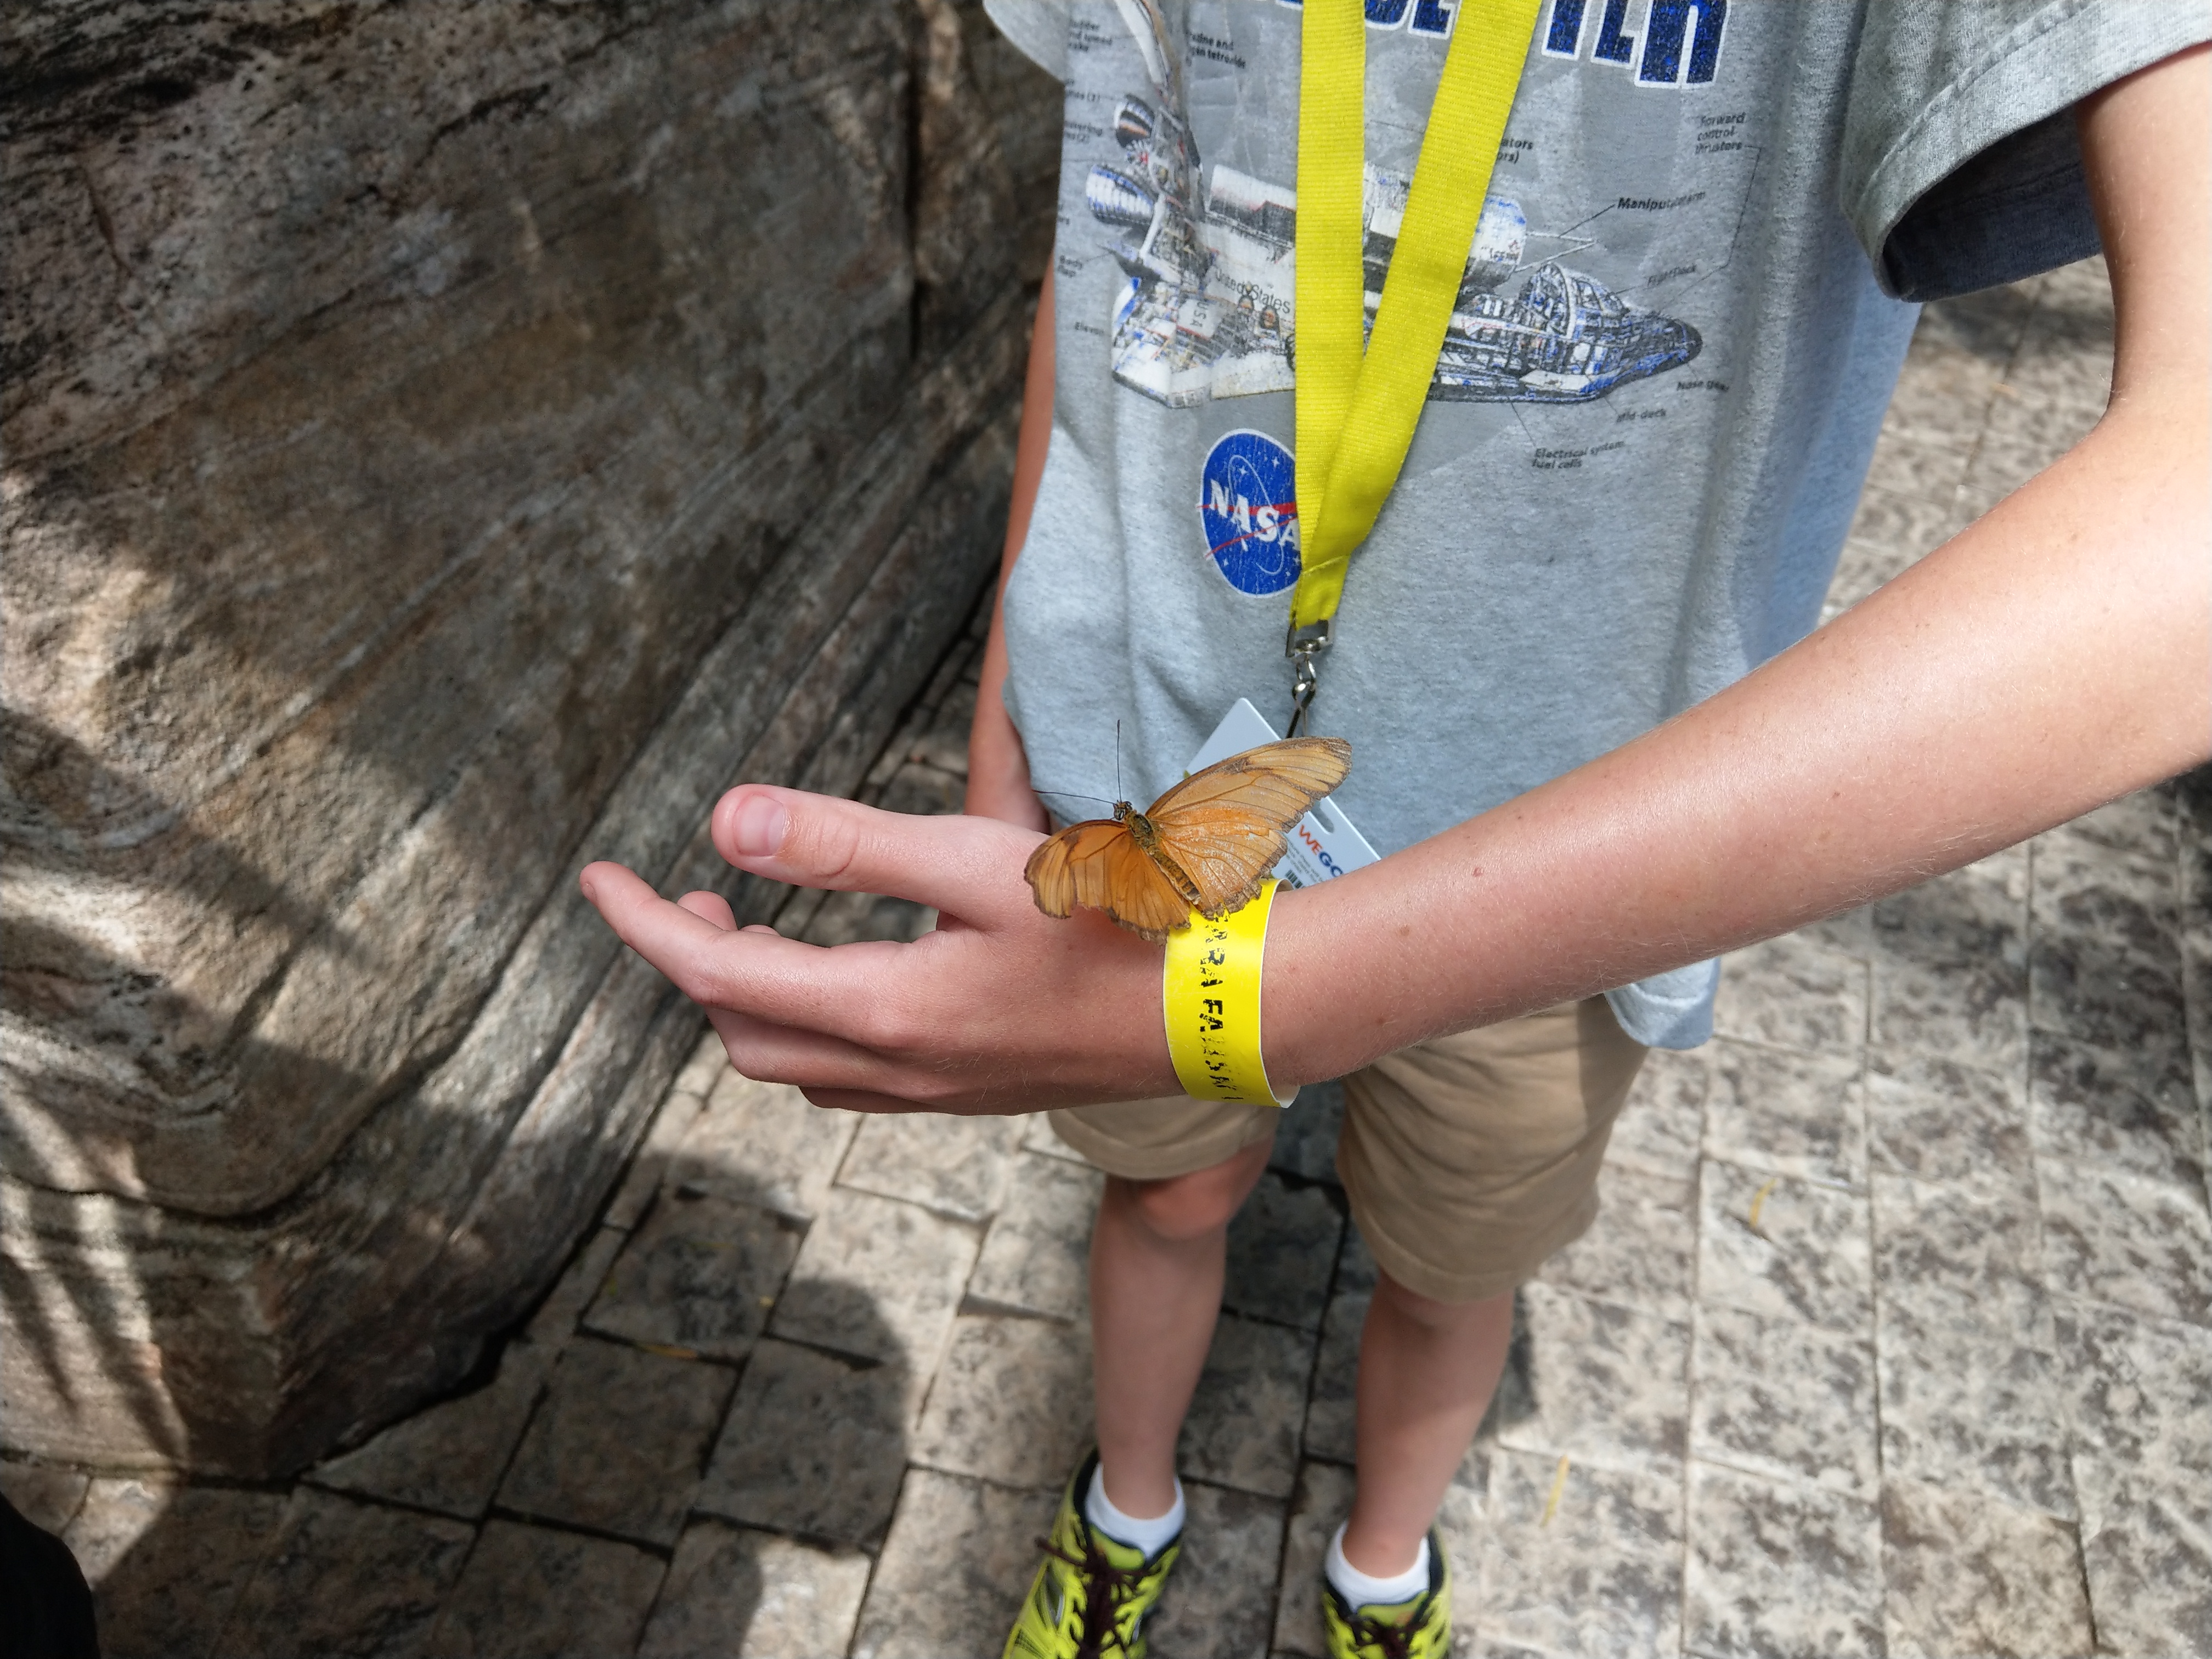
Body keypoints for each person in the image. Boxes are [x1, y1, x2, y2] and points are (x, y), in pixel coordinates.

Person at [582, 3, 2210, 1653]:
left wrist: (1235, 1004)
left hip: (1573, 864)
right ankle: (1126, 1509)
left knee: (1450, 1271)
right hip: (1140, 773)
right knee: (1164, 1202)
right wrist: (1016, 715)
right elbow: (1112, 236)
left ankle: (1382, 1566)